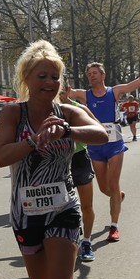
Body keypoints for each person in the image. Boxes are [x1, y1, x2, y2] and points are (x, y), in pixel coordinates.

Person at [0, 42, 108, 279]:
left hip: (63, 209)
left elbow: (102, 134)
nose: (49, 82)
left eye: (55, 76)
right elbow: (0, 156)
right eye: (42, 76)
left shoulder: (68, 111)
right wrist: (33, 140)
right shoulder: (13, 113)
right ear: (27, 78)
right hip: (26, 213)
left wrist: (67, 131)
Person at [65, 49, 140, 243]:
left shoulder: (114, 91)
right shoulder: (84, 95)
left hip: (114, 144)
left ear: (103, 75)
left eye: (94, 73)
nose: (91, 76)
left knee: (114, 185)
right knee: (104, 188)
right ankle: (117, 196)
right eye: (89, 74)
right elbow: (63, 92)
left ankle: (114, 226)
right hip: (95, 146)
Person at [61, 83, 100, 263]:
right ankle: (70, 239)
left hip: (79, 158)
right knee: (62, 208)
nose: (58, 94)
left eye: (62, 90)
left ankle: (86, 242)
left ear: (69, 90)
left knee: (86, 205)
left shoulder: (79, 108)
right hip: (58, 161)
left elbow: (98, 129)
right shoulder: (47, 109)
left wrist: (73, 131)